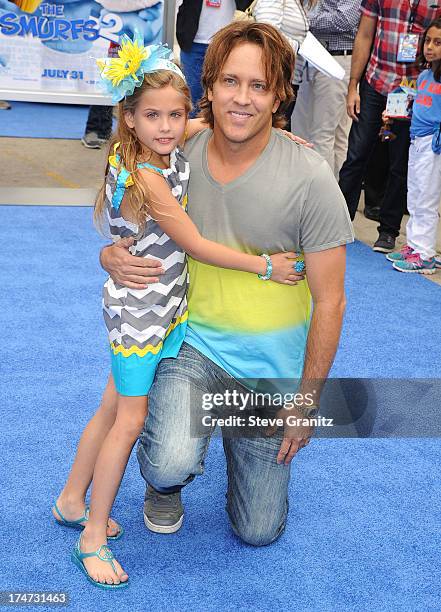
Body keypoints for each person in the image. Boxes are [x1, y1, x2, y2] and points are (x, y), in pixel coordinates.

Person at [53, 33, 300, 590]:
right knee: (129, 422)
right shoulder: (146, 174)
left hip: (156, 309)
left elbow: (202, 123)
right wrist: (265, 267)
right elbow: (192, 244)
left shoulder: (143, 144)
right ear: (130, 117)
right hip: (141, 316)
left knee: (110, 407)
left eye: (176, 115)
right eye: (154, 116)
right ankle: (91, 535)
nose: (168, 126)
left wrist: (288, 136)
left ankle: (72, 498)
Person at [101, 22, 354, 553]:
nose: (242, 99)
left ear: (280, 94)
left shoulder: (310, 176)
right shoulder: (176, 152)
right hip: (192, 344)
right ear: (210, 87)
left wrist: (305, 403)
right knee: (170, 459)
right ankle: (163, 483)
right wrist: (110, 255)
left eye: (259, 86)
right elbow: (130, 211)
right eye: (230, 82)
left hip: (271, 371)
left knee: (257, 532)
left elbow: (331, 300)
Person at [338, 0, 439, 253]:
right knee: (356, 154)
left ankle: (388, 232)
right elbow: (364, 34)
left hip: (414, 87)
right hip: (376, 81)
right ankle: (337, 222)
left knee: (401, 164)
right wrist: (353, 85)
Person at [386, 18, 441, 275]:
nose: (430, 47)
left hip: (434, 143)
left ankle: (426, 253)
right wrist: (397, 112)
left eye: (438, 43)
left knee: (427, 198)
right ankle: (414, 245)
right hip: (416, 140)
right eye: (428, 41)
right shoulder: (424, 76)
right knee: (415, 194)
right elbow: (420, 108)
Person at [291, 0, 361, 177]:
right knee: (304, 129)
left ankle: (323, 196)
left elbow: (344, 19)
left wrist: (303, 19)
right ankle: (328, 191)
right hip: (310, 57)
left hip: (336, 59)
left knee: (325, 134)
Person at [176, 0, 254, 116]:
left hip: (228, 42)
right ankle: (191, 132)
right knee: (191, 101)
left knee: (225, 98)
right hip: (193, 40)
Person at [253, 0, 311, 130]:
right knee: (270, 131)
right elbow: (267, 35)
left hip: (287, 77)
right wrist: (300, 47)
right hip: (275, 77)